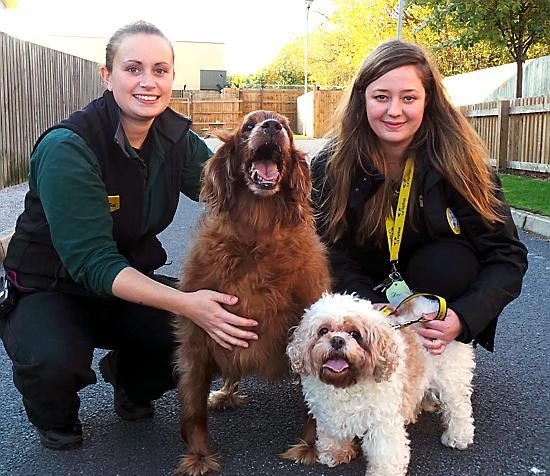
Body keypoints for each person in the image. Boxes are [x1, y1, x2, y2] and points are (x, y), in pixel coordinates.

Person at [0, 20, 258, 450]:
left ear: (172, 78)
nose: (147, 82)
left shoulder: (176, 139)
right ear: (108, 76)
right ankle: (54, 412)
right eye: (133, 68)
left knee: (198, 338)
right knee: (54, 361)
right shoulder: (70, 146)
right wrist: (189, 303)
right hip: (52, 285)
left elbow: (232, 192)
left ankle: (131, 382)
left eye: (160, 70)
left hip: (126, 285)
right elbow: (92, 262)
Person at [311, 39, 528, 357]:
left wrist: (463, 317)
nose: (394, 111)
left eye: (408, 97)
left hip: (429, 284)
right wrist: (366, 306)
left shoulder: (461, 163)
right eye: (381, 97)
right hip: (363, 287)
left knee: (450, 264)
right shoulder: (332, 164)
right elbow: (327, 250)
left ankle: (434, 356)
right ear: (363, 99)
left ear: (428, 100)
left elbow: (507, 255)